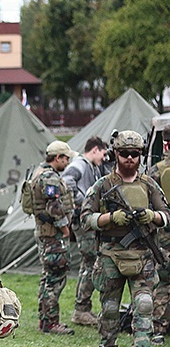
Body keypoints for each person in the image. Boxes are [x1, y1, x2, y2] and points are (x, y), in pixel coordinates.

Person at [81, 130, 169, 347]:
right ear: (116, 154)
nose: (130, 158)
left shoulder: (149, 184)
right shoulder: (103, 186)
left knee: (144, 304)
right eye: (125, 153)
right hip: (111, 255)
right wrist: (110, 218)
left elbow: (166, 214)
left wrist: (152, 216)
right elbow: (85, 218)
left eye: (135, 154)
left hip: (143, 256)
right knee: (109, 308)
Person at [31, 140, 76, 335]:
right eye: (66, 159)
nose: (67, 163)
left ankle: (45, 320)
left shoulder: (40, 172)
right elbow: (54, 206)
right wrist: (65, 228)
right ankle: (51, 322)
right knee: (55, 278)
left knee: (48, 277)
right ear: (57, 158)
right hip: (52, 236)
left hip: (45, 234)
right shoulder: (49, 177)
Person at [62, 136, 108, 326]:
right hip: (83, 221)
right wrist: (83, 203)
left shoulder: (93, 167)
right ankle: (81, 309)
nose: (104, 158)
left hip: (88, 221)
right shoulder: (80, 164)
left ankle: (83, 307)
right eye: (103, 154)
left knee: (88, 263)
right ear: (95, 150)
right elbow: (67, 180)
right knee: (90, 261)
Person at [147, 126, 170, 345]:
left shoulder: (155, 172)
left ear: (164, 144)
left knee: (163, 282)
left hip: (163, 238)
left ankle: (158, 329)